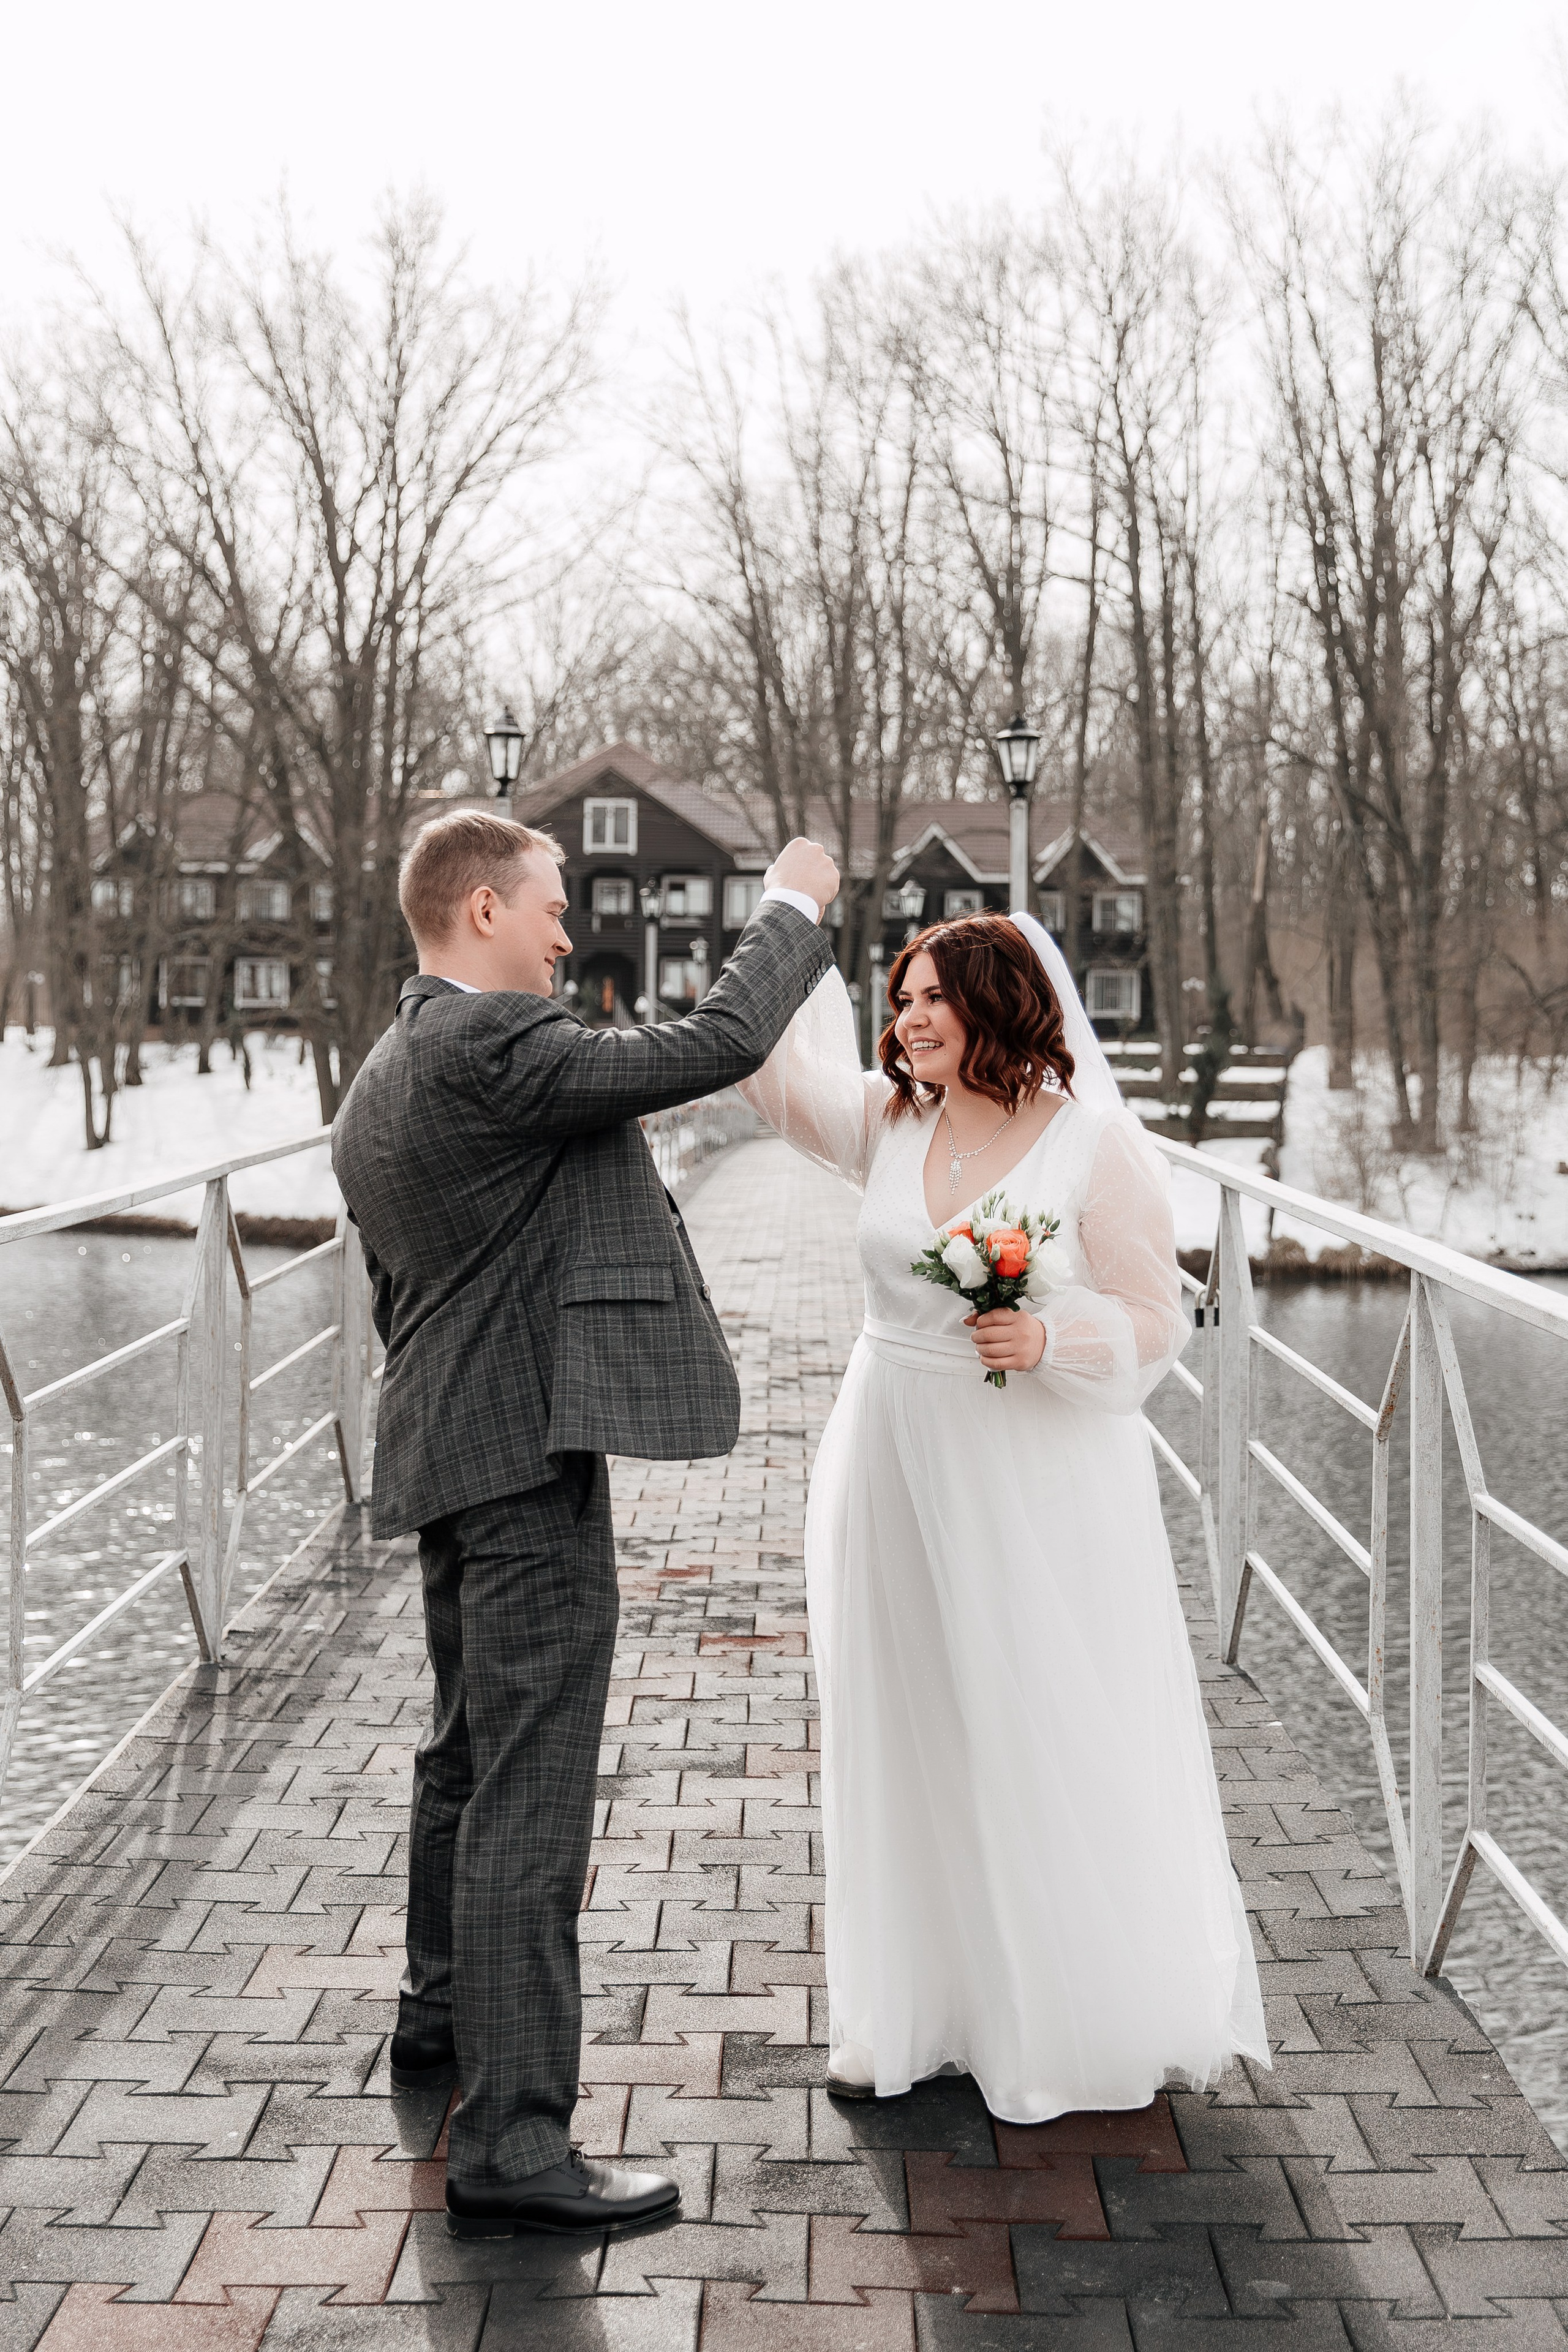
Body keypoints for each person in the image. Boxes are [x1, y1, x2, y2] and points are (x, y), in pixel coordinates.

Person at [331, 807, 839, 2237]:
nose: (567, 935)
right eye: (551, 908)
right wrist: (789, 908)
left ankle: (438, 2025)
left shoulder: (390, 1064)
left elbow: (403, 1287)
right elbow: (710, 1052)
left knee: (466, 1757)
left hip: (447, 1441)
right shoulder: (488, 1043)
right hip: (515, 1456)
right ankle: (513, 2140)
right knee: (529, 1795)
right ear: (482, 908)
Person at [737, 910, 1269, 2117]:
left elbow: (1151, 1315)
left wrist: (1048, 1333)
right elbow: (760, 1069)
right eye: (899, 997)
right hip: (888, 1451)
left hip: (1031, 1471)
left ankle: (1054, 2012)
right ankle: (919, 2012)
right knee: (905, 1712)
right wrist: (786, 904)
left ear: (1000, 1004)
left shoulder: (1092, 1149)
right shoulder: (883, 1122)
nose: (907, 1018)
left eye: (932, 997)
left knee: (1024, 1710)